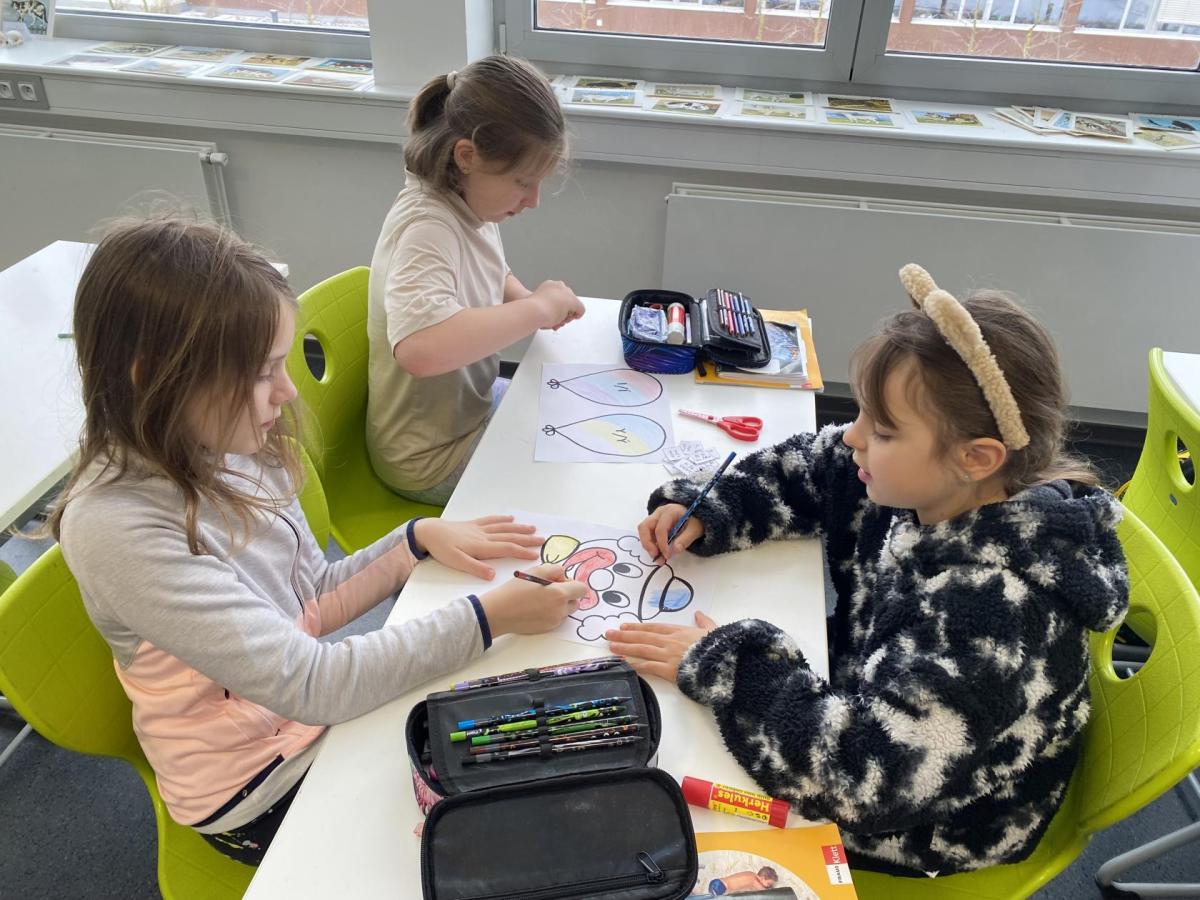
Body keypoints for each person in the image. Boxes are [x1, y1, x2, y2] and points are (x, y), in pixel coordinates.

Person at [50, 216, 588, 865]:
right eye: (260, 373)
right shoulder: (116, 528)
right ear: (152, 377)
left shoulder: (227, 444)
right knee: (513, 824)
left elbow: (309, 598)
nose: (286, 391)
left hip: (307, 719)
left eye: (281, 364)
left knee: (532, 743)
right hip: (254, 788)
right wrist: (488, 616)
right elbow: (313, 681)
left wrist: (413, 541)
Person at [609, 264, 1129, 877]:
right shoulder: (938, 486)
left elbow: (863, 783)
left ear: (976, 457)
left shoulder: (990, 613)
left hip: (933, 822)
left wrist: (734, 668)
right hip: (880, 701)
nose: (852, 436)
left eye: (881, 430)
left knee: (653, 802)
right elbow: (819, 466)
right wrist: (713, 507)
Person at [367, 54, 585, 506]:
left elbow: (488, 270)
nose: (533, 200)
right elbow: (420, 350)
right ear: (467, 156)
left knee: (569, 417)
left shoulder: (468, 204)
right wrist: (537, 308)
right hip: (430, 459)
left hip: (468, 416)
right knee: (570, 479)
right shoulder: (427, 226)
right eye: (523, 182)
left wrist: (524, 299)